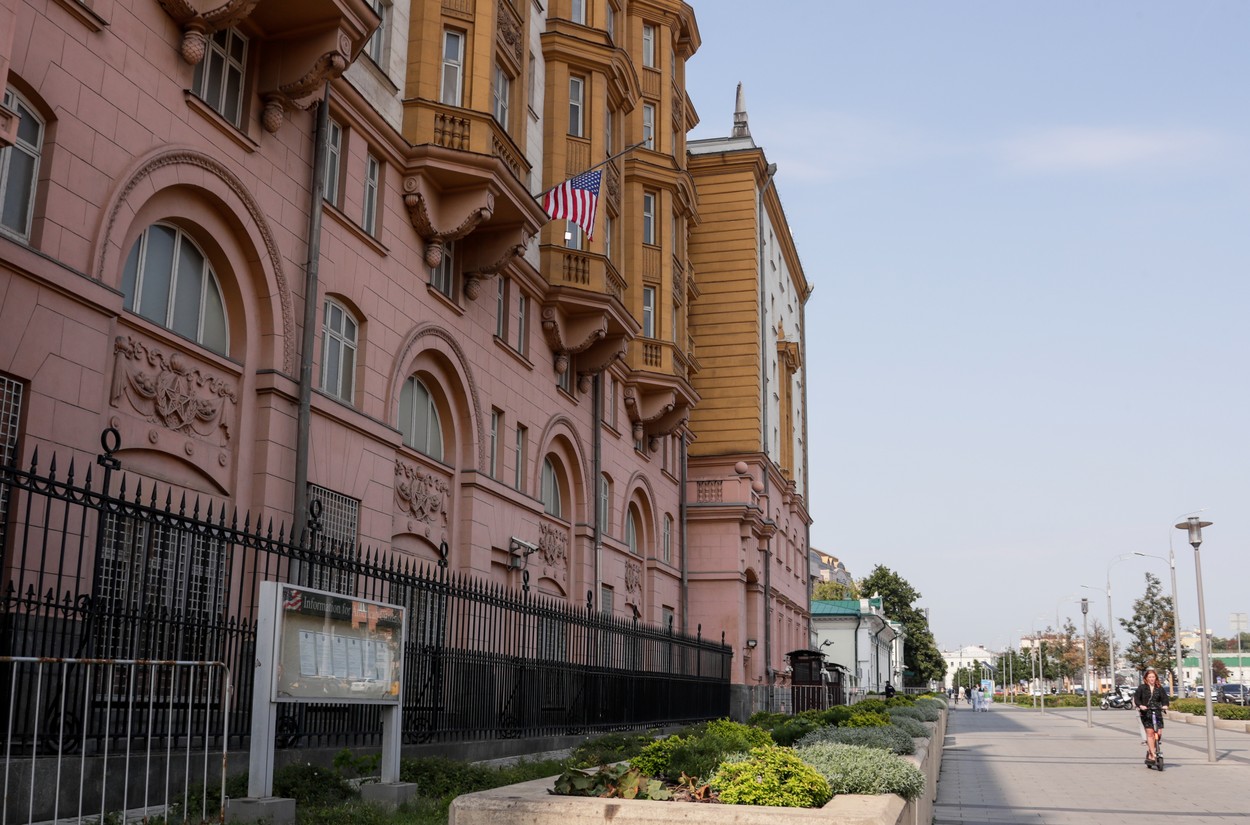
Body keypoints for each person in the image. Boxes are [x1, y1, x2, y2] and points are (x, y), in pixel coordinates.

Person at [1134, 668, 1170, 769]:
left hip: (1157, 712)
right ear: (1146, 678)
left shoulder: (1159, 688)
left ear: (1156, 678)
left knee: (1158, 733)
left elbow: (1165, 699)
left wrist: (1165, 705)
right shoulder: (1142, 688)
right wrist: (1141, 705)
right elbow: (1136, 698)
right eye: (1150, 677)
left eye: (1153, 677)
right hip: (1146, 713)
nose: (1152, 679)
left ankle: (1151, 750)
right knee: (1150, 734)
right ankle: (1153, 753)